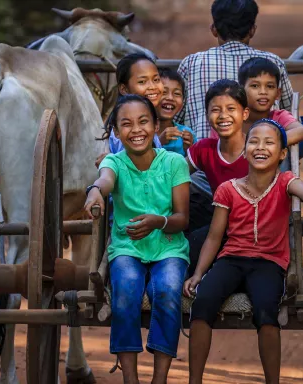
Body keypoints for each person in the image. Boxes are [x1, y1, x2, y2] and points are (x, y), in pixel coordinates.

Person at [184, 119, 303, 384]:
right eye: (253, 141)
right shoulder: (228, 189)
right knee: (203, 303)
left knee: (266, 312)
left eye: (269, 143)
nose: (260, 147)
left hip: (268, 263)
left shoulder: (285, 182)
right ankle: (194, 381)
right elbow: (214, 237)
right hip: (230, 259)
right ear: (244, 150)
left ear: (281, 154)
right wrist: (198, 273)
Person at [84, 95, 190, 384]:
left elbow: (182, 219)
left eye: (144, 121)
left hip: (169, 247)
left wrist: (159, 222)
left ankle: (160, 379)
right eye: (126, 124)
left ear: (156, 126)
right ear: (116, 133)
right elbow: (105, 179)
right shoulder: (113, 161)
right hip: (127, 247)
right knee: (126, 291)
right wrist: (95, 190)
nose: (137, 129)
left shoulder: (174, 163)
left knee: (168, 292)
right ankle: (130, 378)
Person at [185, 79, 303, 276]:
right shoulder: (204, 149)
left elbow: (301, 132)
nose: (223, 116)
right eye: (215, 110)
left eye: (231, 109)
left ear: (244, 114)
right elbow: (175, 176)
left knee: (198, 246)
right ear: (206, 115)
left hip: (258, 231)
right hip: (223, 225)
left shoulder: (256, 151)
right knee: (187, 243)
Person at [176, 0, 293, 140]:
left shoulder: (191, 63)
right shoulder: (273, 62)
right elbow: (288, 110)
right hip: (263, 154)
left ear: (214, 29)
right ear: (252, 30)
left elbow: (176, 117)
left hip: (201, 156)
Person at [238, 57, 303, 158]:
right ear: (241, 91)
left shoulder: (279, 116)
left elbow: (302, 131)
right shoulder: (236, 117)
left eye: (270, 86)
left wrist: (271, 143)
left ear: (278, 94)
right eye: (255, 86)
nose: (263, 92)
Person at [94, 52, 164, 167]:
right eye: (142, 82)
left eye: (156, 79)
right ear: (124, 89)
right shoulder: (127, 128)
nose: (152, 87)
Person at [157, 69, 197, 156]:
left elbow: (195, 166)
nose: (170, 98)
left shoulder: (187, 133)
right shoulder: (144, 132)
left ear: (183, 102)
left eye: (177, 93)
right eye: (164, 92)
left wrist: (189, 150)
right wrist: (158, 142)